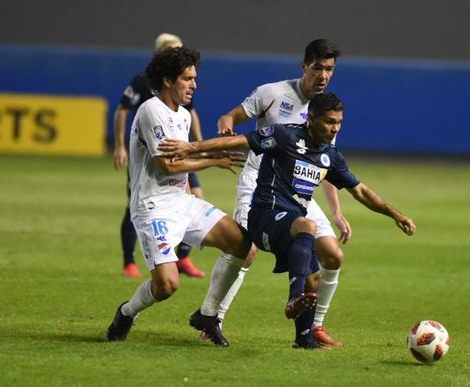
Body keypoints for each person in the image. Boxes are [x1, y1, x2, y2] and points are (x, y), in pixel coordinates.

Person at [160, 92, 416, 349]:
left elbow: (360, 191)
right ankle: (293, 298)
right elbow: (241, 140)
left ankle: (303, 339)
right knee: (307, 226)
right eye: (329, 121)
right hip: (264, 215)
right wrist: (191, 148)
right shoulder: (284, 136)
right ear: (311, 117)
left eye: (339, 122)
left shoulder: (330, 155)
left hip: (291, 221)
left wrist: (395, 214)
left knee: (314, 277)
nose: (335, 128)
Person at [106, 47, 252, 345]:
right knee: (167, 286)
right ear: (168, 80)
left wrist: (192, 194)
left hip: (182, 201)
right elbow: (167, 164)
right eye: (188, 78)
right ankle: (127, 311)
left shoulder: (183, 116)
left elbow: (180, 167)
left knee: (243, 244)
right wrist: (212, 159)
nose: (194, 85)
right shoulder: (150, 111)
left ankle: (209, 315)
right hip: (153, 207)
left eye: (194, 78)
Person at [214, 38, 348, 346]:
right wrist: (226, 132)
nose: (324, 75)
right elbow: (229, 117)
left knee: (333, 255)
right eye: (318, 68)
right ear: (304, 66)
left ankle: (314, 326)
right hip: (259, 184)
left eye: (330, 69)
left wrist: (337, 212)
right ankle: (214, 318)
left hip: (299, 191)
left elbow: (325, 164)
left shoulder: (327, 110)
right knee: (245, 250)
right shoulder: (272, 93)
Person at [113, 33, 206, 278]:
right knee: (134, 207)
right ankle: (129, 261)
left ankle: (183, 258)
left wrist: (199, 143)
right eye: (173, 51)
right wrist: (120, 145)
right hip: (150, 158)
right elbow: (122, 110)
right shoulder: (144, 82)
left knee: (195, 197)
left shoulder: (182, 88)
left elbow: (190, 114)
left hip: (180, 150)